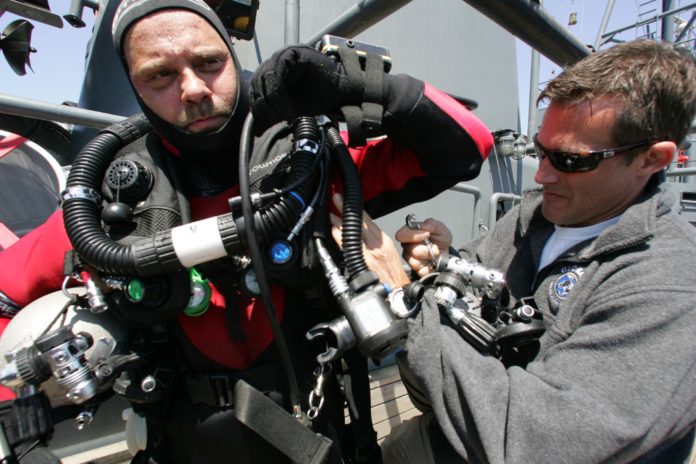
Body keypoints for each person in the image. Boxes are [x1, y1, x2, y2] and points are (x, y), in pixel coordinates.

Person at [0, 0, 494, 462]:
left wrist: (352, 83)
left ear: (233, 59)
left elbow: (468, 144)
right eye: (160, 75)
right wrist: (18, 420)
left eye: (209, 63)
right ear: (135, 85)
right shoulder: (115, 202)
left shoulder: (311, 162)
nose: (192, 89)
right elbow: (5, 293)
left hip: (318, 434)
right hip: (183, 442)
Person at [351, 39, 696, 463]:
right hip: (452, 432)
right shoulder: (539, 214)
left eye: (570, 160)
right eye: (541, 151)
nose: (544, 174)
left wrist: (405, 294)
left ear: (652, 159)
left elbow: (539, 442)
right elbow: (479, 282)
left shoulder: (668, 286)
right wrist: (444, 263)